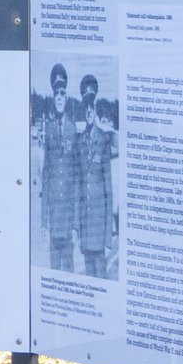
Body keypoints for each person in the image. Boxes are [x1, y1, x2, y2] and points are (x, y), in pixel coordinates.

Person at [38, 62, 78, 272]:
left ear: (66, 94)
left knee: (69, 274)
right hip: (54, 220)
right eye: (56, 93)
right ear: (53, 97)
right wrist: (44, 222)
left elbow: (78, 182)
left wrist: (76, 225)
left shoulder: (73, 129)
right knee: (53, 274)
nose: (60, 97)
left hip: (69, 219)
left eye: (63, 92)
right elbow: (45, 178)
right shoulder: (49, 129)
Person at [75, 75, 115, 277]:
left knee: (102, 283)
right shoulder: (80, 142)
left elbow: (109, 193)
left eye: (92, 106)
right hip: (86, 231)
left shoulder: (104, 140)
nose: (89, 111)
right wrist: (78, 229)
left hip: (100, 235)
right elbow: (80, 189)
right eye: (86, 107)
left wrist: (108, 240)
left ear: (96, 108)